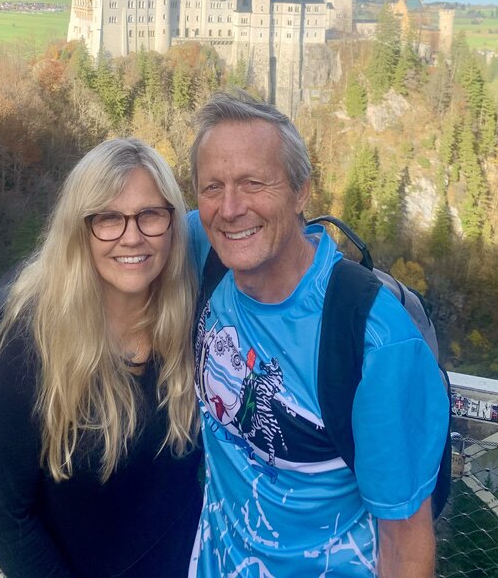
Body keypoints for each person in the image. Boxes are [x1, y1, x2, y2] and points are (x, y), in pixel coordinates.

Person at [187, 93, 449, 578]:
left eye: (254, 183)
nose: (230, 208)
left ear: (301, 192)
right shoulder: (210, 253)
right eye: (212, 187)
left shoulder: (373, 338)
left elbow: (405, 543)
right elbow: (121, 237)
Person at [0, 138, 202, 578]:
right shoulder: (30, 345)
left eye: (150, 215)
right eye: (108, 218)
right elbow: (4, 516)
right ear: (79, 230)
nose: (132, 236)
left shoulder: (193, 318)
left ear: (173, 224)